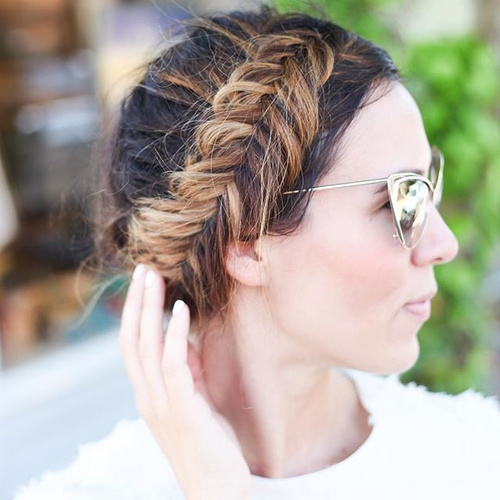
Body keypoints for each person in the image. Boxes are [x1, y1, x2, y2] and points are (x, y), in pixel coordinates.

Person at [14, 5, 500, 500]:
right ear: (246, 240)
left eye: (428, 183)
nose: (445, 243)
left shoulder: (474, 461)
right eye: (402, 198)